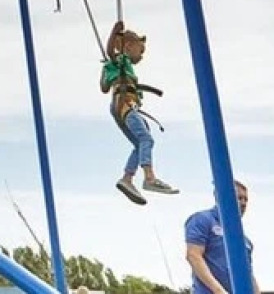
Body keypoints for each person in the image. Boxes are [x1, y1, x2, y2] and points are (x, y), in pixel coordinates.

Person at [101, 20, 177, 204]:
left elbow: (104, 87)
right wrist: (115, 32)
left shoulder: (121, 67)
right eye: (140, 50)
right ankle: (149, 178)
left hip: (124, 104)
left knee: (140, 142)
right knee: (146, 139)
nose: (141, 56)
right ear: (128, 46)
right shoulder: (121, 60)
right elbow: (110, 52)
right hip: (124, 103)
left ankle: (127, 178)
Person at [185, 181, 257, 294]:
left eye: (245, 199)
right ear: (221, 198)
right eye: (239, 198)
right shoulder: (203, 220)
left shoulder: (244, 240)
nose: (243, 203)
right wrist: (219, 291)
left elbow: (248, 274)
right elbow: (193, 256)